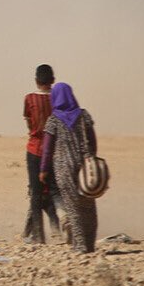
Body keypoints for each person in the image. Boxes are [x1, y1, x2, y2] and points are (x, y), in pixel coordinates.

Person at [39, 83, 99, 253]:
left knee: (72, 207)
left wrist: (43, 169)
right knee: (88, 206)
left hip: (64, 169)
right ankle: (90, 244)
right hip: (86, 168)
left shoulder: (53, 120)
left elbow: (48, 148)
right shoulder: (84, 116)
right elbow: (93, 141)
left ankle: (79, 245)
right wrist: (91, 157)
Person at [23, 64, 61, 244]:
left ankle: (38, 235)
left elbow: (29, 123)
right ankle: (57, 229)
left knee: (36, 193)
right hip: (54, 150)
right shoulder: (58, 98)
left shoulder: (29, 98)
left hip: (35, 149)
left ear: (36, 81)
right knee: (54, 190)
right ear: (52, 81)